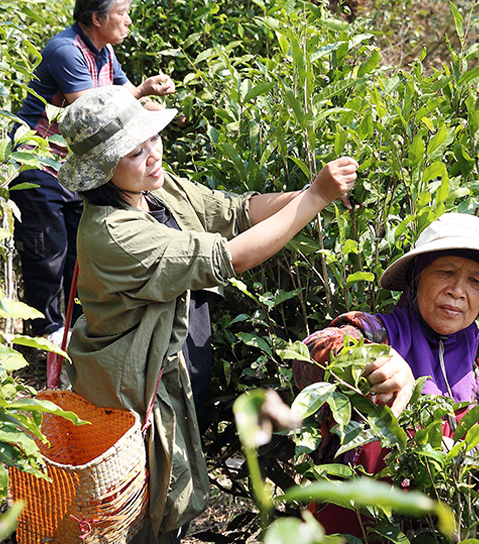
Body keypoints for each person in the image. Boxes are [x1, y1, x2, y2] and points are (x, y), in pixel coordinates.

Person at [55, 85, 358, 543]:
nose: (153, 155)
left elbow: (238, 212)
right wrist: (314, 198)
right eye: (135, 151)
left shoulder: (153, 188)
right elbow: (229, 257)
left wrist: (313, 190)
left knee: (164, 502)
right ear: (102, 169)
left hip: (175, 377)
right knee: (138, 511)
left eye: (152, 139)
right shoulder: (111, 233)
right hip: (138, 396)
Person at [293, 212, 479, 539]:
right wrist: (368, 360)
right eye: (446, 272)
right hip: (359, 527)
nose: (458, 291)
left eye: (475, 281)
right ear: (418, 277)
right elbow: (308, 356)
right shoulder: (377, 333)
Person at [11, 0, 175, 343]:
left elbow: (121, 97)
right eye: (123, 12)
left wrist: (146, 99)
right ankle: (46, 338)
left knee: (78, 253)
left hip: (74, 167)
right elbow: (90, 112)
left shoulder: (104, 51)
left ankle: (72, 333)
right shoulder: (66, 50)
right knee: (46, 253)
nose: (129, 20)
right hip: (39, 164)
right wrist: (142, 90)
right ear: (96, 17)